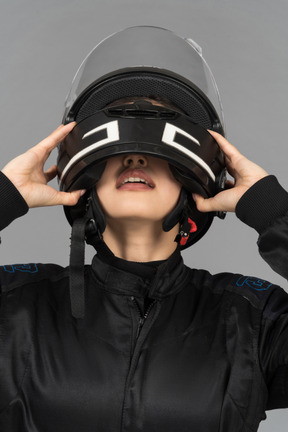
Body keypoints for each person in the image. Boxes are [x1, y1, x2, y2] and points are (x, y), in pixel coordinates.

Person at [1, 26, 288, 432]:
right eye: (120, 148)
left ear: (193, 177)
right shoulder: (16, 305)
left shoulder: (252, 319)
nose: (135, 157)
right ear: (87, 177)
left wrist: (270, 209)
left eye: (157, 150)